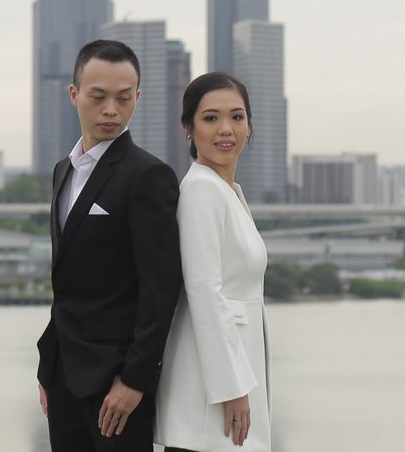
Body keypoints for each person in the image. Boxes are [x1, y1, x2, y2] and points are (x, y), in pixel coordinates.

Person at [36, 38, 183, 451]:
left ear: (138, 97)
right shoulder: (62, 171)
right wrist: (48, 367)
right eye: (98, 97)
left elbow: (161, 289)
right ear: (74, 94)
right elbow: (67, 281)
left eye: (123, 98)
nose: (111, 110)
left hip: (117, 384)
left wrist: (135, 380)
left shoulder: (149, 176)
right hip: (63, 375)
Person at [156, 72, 272, 452]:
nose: (226, 129)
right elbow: (204, 291)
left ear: (249, 125)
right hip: (212, 399)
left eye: (237, 117)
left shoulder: (228, 191)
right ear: (189, 128)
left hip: (231, 384)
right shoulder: (202, 190)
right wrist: (232, 388)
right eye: (211, 118)